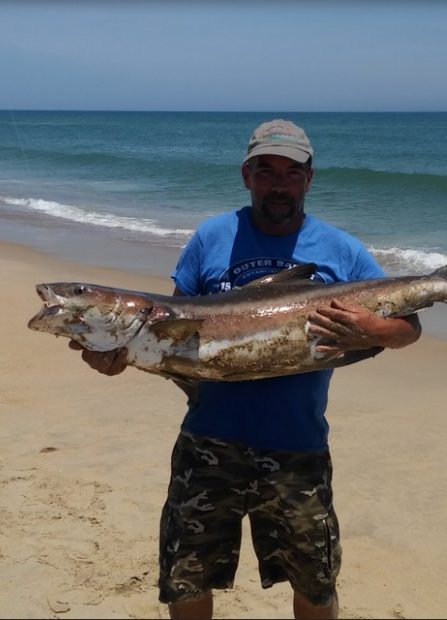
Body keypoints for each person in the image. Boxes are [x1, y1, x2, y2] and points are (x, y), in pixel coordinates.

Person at [76, 119, 422, 619]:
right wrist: (118, 360)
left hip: (298, 444)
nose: (278, 184)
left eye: (290, 172)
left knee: (315, 582)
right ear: (246, 175)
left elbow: (408, 328)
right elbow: (175, 334)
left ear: (309, 178)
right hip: (207, 440)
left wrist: (373, 329)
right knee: (187, 579)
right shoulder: (212, 237)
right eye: (266, 171)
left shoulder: (341, 249)